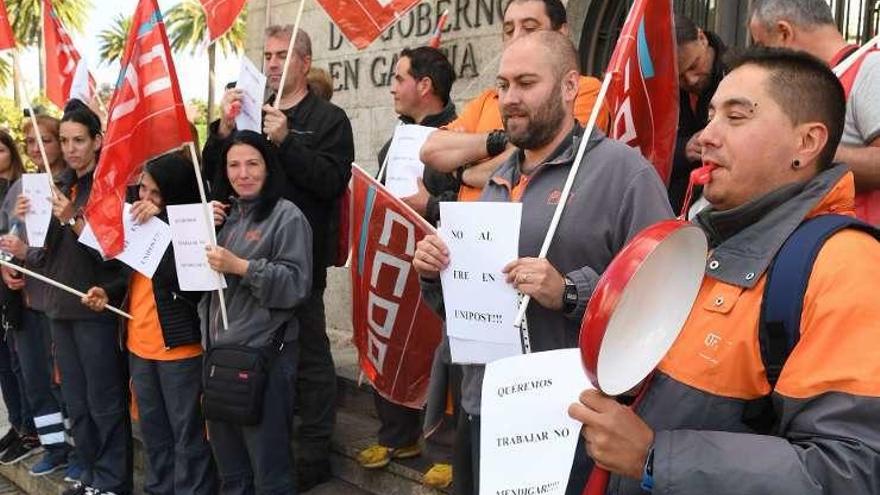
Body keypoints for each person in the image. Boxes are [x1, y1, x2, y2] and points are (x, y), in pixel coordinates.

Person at [569, 47, 880, 495]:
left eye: (736, 118)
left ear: (806, 143)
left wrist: (655, 457)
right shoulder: (703, 241)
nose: (706, 136)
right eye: (711, 115)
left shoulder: (845, 266)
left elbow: (850, 469)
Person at [413, 32, 672, 495]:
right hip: (485, 407)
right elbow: (464, 314)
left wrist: (571, 293)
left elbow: (666, 302)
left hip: (568, 423)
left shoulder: (624, 174)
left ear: (570, 86)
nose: (510, 99)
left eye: (526, 83)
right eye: (503, 85)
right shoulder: (495, 181)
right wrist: (436, 274)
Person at [203, 26, 354, 489]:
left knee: (307, 356)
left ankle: (311, 454)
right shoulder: (250, 110)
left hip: (297, 258)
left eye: (282, 55)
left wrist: (288, 140)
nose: (272, 63)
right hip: (243, 255)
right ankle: (268, 446)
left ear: (305, 63)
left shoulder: (328, 118)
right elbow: (221, 172)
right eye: (267, 55)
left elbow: (331, 182)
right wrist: (225, 131)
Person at [82, 153, 218, 494]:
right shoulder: (139, 225)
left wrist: (164, 229)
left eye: (156, 194)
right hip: (139, 346)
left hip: (180, 349)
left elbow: (184, 281)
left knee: (187, 434)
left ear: (174, 194)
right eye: (142, 190)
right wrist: (107, 293)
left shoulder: (191, 230)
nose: (145, 200)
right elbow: (133, 278)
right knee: (154, 433)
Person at [17, 100, 132, 495]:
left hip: (95, 307)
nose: (70, 148)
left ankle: (113, 480)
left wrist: (72, 220)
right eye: (64, 140)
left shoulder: (110, 186)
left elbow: (114, 254)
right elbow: (41, 251)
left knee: (103, 400)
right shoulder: (61, 182)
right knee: (76, 401)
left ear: (98, 141)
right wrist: (26, 227)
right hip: (59, 307)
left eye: (79, 140)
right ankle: (87, 471)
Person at [359, 46, 460, 488]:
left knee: (440, 354)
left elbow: (471, 202)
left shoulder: (461, 136)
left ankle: (447, 449)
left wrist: (431, 207)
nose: (393, 87)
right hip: (393, 261)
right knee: (393, 342)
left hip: (441, 268)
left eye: (399, 78)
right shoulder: (393, 140)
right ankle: (398, 436)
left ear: (424, 86)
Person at [201, 130, 312, 494]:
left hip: (264, 355)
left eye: (252, 163)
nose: (242, 173)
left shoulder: (287, 216)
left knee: (269, 467)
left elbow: (296, 285)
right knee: (231, 469)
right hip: (220, 356)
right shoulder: (224, 217)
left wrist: (243, 267)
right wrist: (205, 229)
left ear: (268, 167)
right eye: (234, 165)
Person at [419, 0, 610, 201]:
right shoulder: (487, 99)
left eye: (529, 28)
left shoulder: (581, 90)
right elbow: (432, 149)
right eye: (509, 30)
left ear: (561, 33)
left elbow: (545, 160)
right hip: (468, 230)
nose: (516, 38)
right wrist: (497, 142)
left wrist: (463, 171)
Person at [748, 0, 880, 224]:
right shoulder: (822, 80)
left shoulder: (871, 69)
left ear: (783, 32)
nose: (764, 60)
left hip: (857, 244)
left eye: (763, 46)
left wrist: (804, 148)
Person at [1, 116, 79, 479]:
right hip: (28, 301)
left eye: (45, 141)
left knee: (65, 381)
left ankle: (78, 448)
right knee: (34, 376)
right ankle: (53, 445)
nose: (37, 149)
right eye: (30, 142)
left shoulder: (71, 186)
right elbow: (9, 237)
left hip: (61, 299)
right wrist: (6, 265)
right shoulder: (21, 186)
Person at [0, 128, 40, 468]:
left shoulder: (25, 189)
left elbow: (18, 237)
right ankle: (17, 422)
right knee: (5, 364)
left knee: (21, 362)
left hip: (19, 285)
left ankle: (32, 429)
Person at [669, 13, 728, 214]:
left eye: (694, 65)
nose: (691, 80)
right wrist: (684, 149)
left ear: (702, 38)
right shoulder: (662, 90)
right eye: (679, 76)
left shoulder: (738, 73)